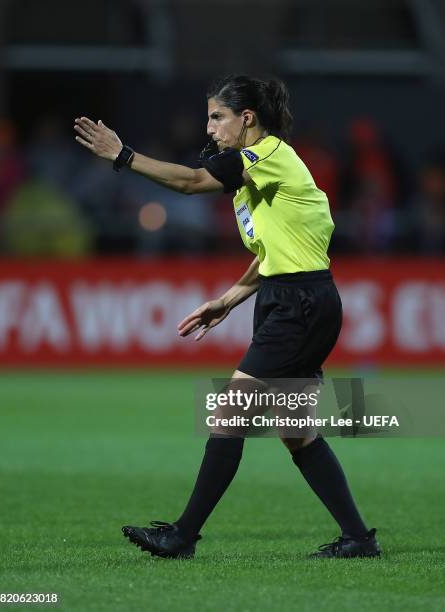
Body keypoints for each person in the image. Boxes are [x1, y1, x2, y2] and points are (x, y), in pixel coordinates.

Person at [74, 74, 380, 560]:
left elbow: (193, 181)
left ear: (247, 119)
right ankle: (359, 539)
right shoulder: (256, 178)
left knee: (230, 411)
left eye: (218, 116)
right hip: (291, 298)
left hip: (299, 303)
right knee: (295, 430)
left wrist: (123, 155)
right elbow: (275, 252)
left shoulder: (271, 155)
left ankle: (182, 536)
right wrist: (229, 299)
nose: (210, 127)